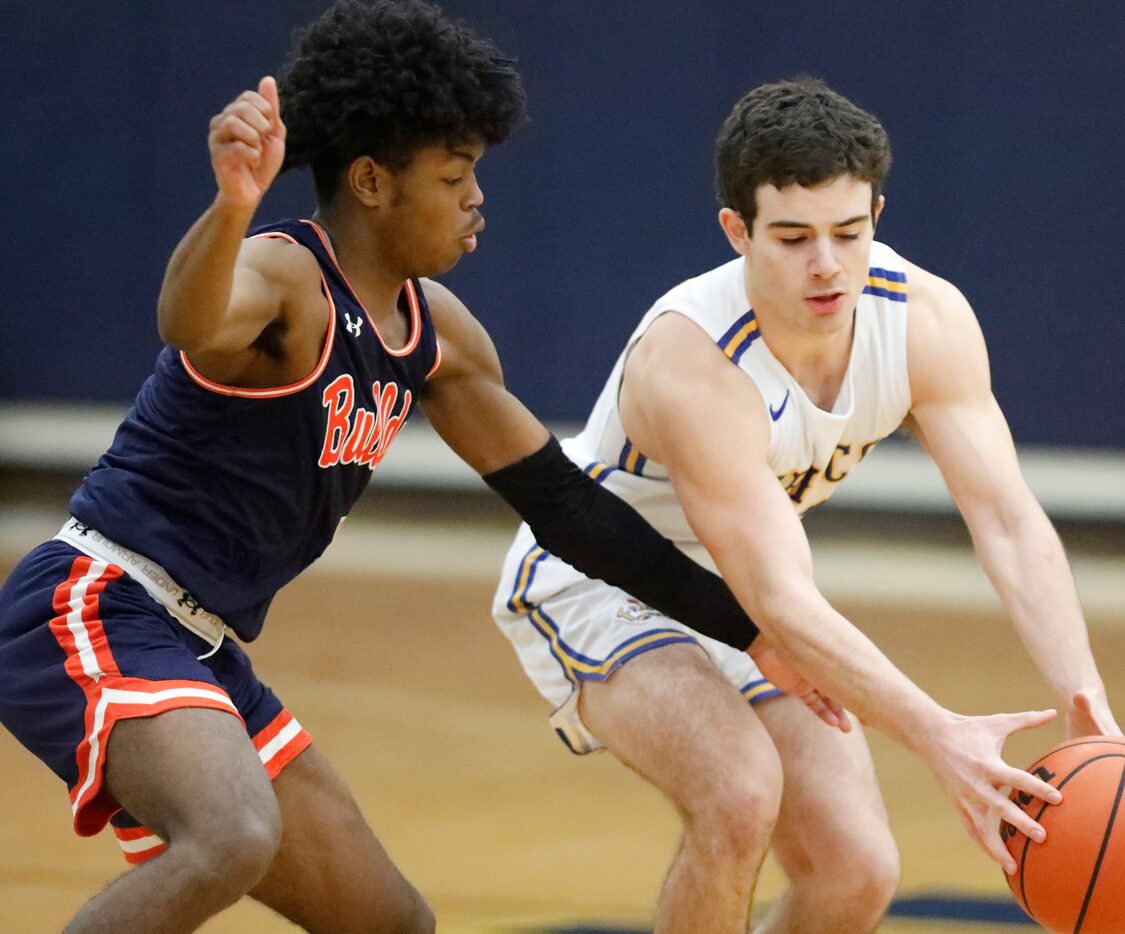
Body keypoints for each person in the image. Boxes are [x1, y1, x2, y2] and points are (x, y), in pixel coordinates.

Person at [0, 4, 828, 931]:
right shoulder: (282, 277)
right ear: (371, 183)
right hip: (99, 601)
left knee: (393, 924)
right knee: (230, 834)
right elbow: (188, 324)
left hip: (201, 643)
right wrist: (232, 207)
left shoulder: (440, 335)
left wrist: (749, 630)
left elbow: (561, 505)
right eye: (453, 175)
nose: (476, 197)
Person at [492, 77, 1123, 933]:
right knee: (738, 792)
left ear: (876, 216)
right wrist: (937, 734)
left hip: (748, 588)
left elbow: (1007, 522)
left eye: (848, 233)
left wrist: (1084, 699)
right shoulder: (695, 363)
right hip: (604, 581)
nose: (826, 264)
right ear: (736, 231)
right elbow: (780, 600)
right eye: (791, 238)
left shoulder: (925, 320)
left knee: (856, 871)